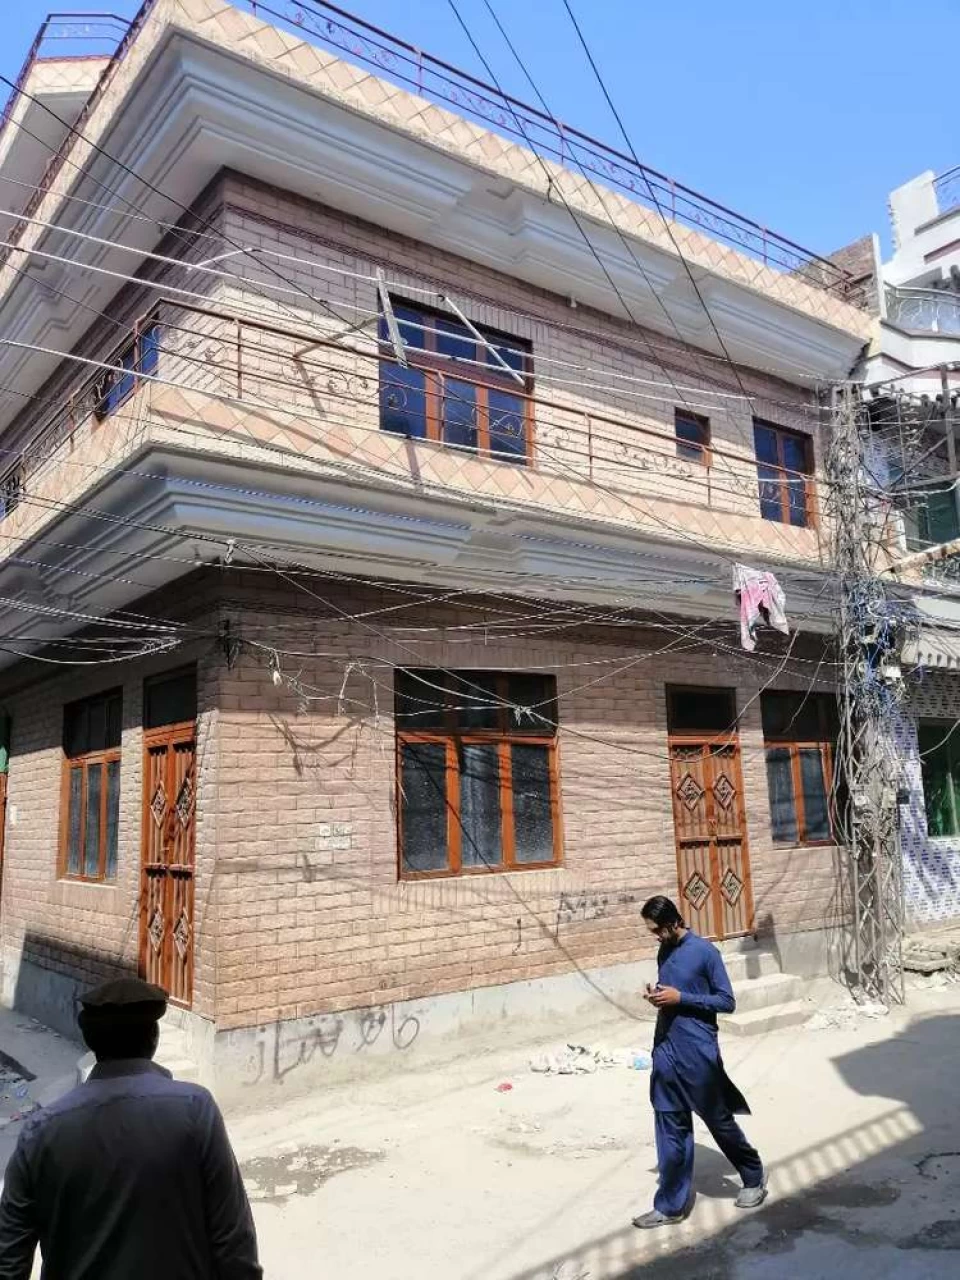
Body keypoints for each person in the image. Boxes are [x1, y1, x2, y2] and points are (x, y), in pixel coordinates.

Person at [0, 976, 262, 1279]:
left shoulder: (42, 1131)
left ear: (91, 1042)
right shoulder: (195, 1109)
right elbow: (234, 1240)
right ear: (153, 1039)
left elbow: (9, 1259)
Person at [632, 895, 767, 1229]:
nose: (655, 937)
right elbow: (672, 991)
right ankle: (670, 1205)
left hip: (697, 1050)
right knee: (669, 1122)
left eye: (657, 930)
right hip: (666, 1047)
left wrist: (681, 998)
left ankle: (753, 1175)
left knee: (718, 1120)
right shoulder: (664, 950)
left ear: (673, 922)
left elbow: (726, 1001)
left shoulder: (705, 952)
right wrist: (658, 997)